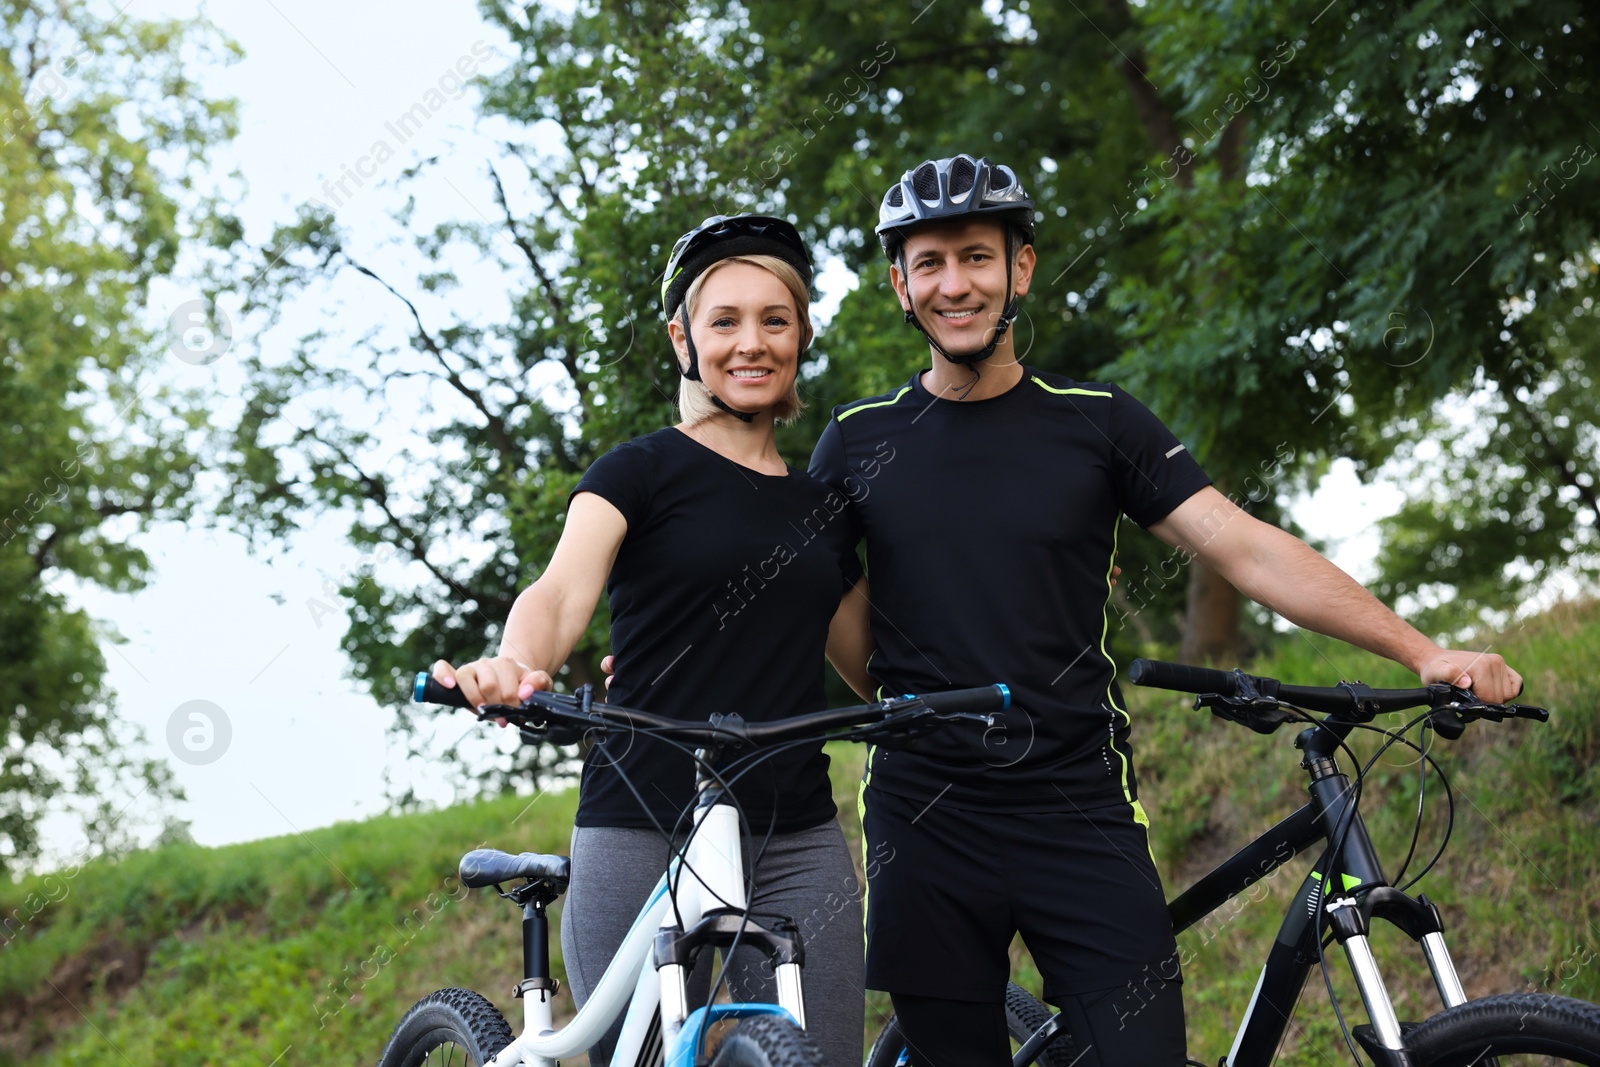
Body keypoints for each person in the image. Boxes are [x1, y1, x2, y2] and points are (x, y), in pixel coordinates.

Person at [806, 154, 1524, 1067]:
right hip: (926, 818)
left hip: (1079, 804)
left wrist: (1420, 649)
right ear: (900, 284)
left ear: (1020, 267)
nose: (958, 284)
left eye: (978, 257)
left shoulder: (1096, 421)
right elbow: (812, 595)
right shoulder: (856, 438)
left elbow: (1243, 544)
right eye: (932, 263)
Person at [432, 214, 870, 1067]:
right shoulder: (640, 470)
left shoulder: (824, 506)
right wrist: (516, 665)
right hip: (641, 818)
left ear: (802, 334)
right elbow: (558, 593)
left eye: (775, 320)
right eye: (725, 321)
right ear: (684, 337)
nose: (752, 342)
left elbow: (877, 665)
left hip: (794, 830)